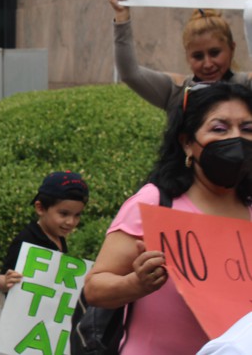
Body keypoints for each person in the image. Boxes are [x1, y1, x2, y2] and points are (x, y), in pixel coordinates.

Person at [84, 82, 252, 354]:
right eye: (219, 129)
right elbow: (95, 288)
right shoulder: (154, 203)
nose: (236, 139)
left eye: (247, 129)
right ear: (187, 143)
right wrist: (135, 284)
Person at [108, 0, 252, 112]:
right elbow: (130, 74)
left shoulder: (247, 86)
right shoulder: (176, 92)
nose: (208, 64)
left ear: (232, 49)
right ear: (187, 56)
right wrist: (121, 16)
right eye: (198, 56)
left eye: (214, 53)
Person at [0, 171, 89, 293]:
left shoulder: (58, 236)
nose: (71, 222)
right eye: (64, 214)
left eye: (77, 215)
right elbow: (1, 277)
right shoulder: (26, 239)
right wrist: (6, 281)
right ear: (40, 208)